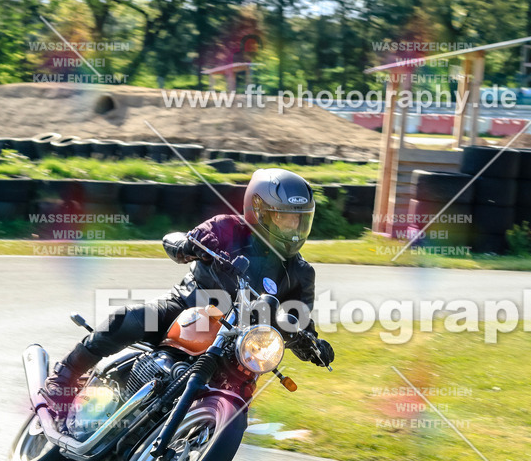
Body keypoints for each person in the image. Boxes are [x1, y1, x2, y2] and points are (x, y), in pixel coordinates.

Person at [42, 168, 335, 416]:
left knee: (242, 392)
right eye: (285, 218)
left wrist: (313, 346)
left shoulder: (301, 272)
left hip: (237, 343)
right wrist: (189, 245)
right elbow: (175, 242)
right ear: (258, 211)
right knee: (128, 319)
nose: (293, 227)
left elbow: (298, 322)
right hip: (186, 307)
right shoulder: (226, 227)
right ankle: (63, 379)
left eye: (299, 219)